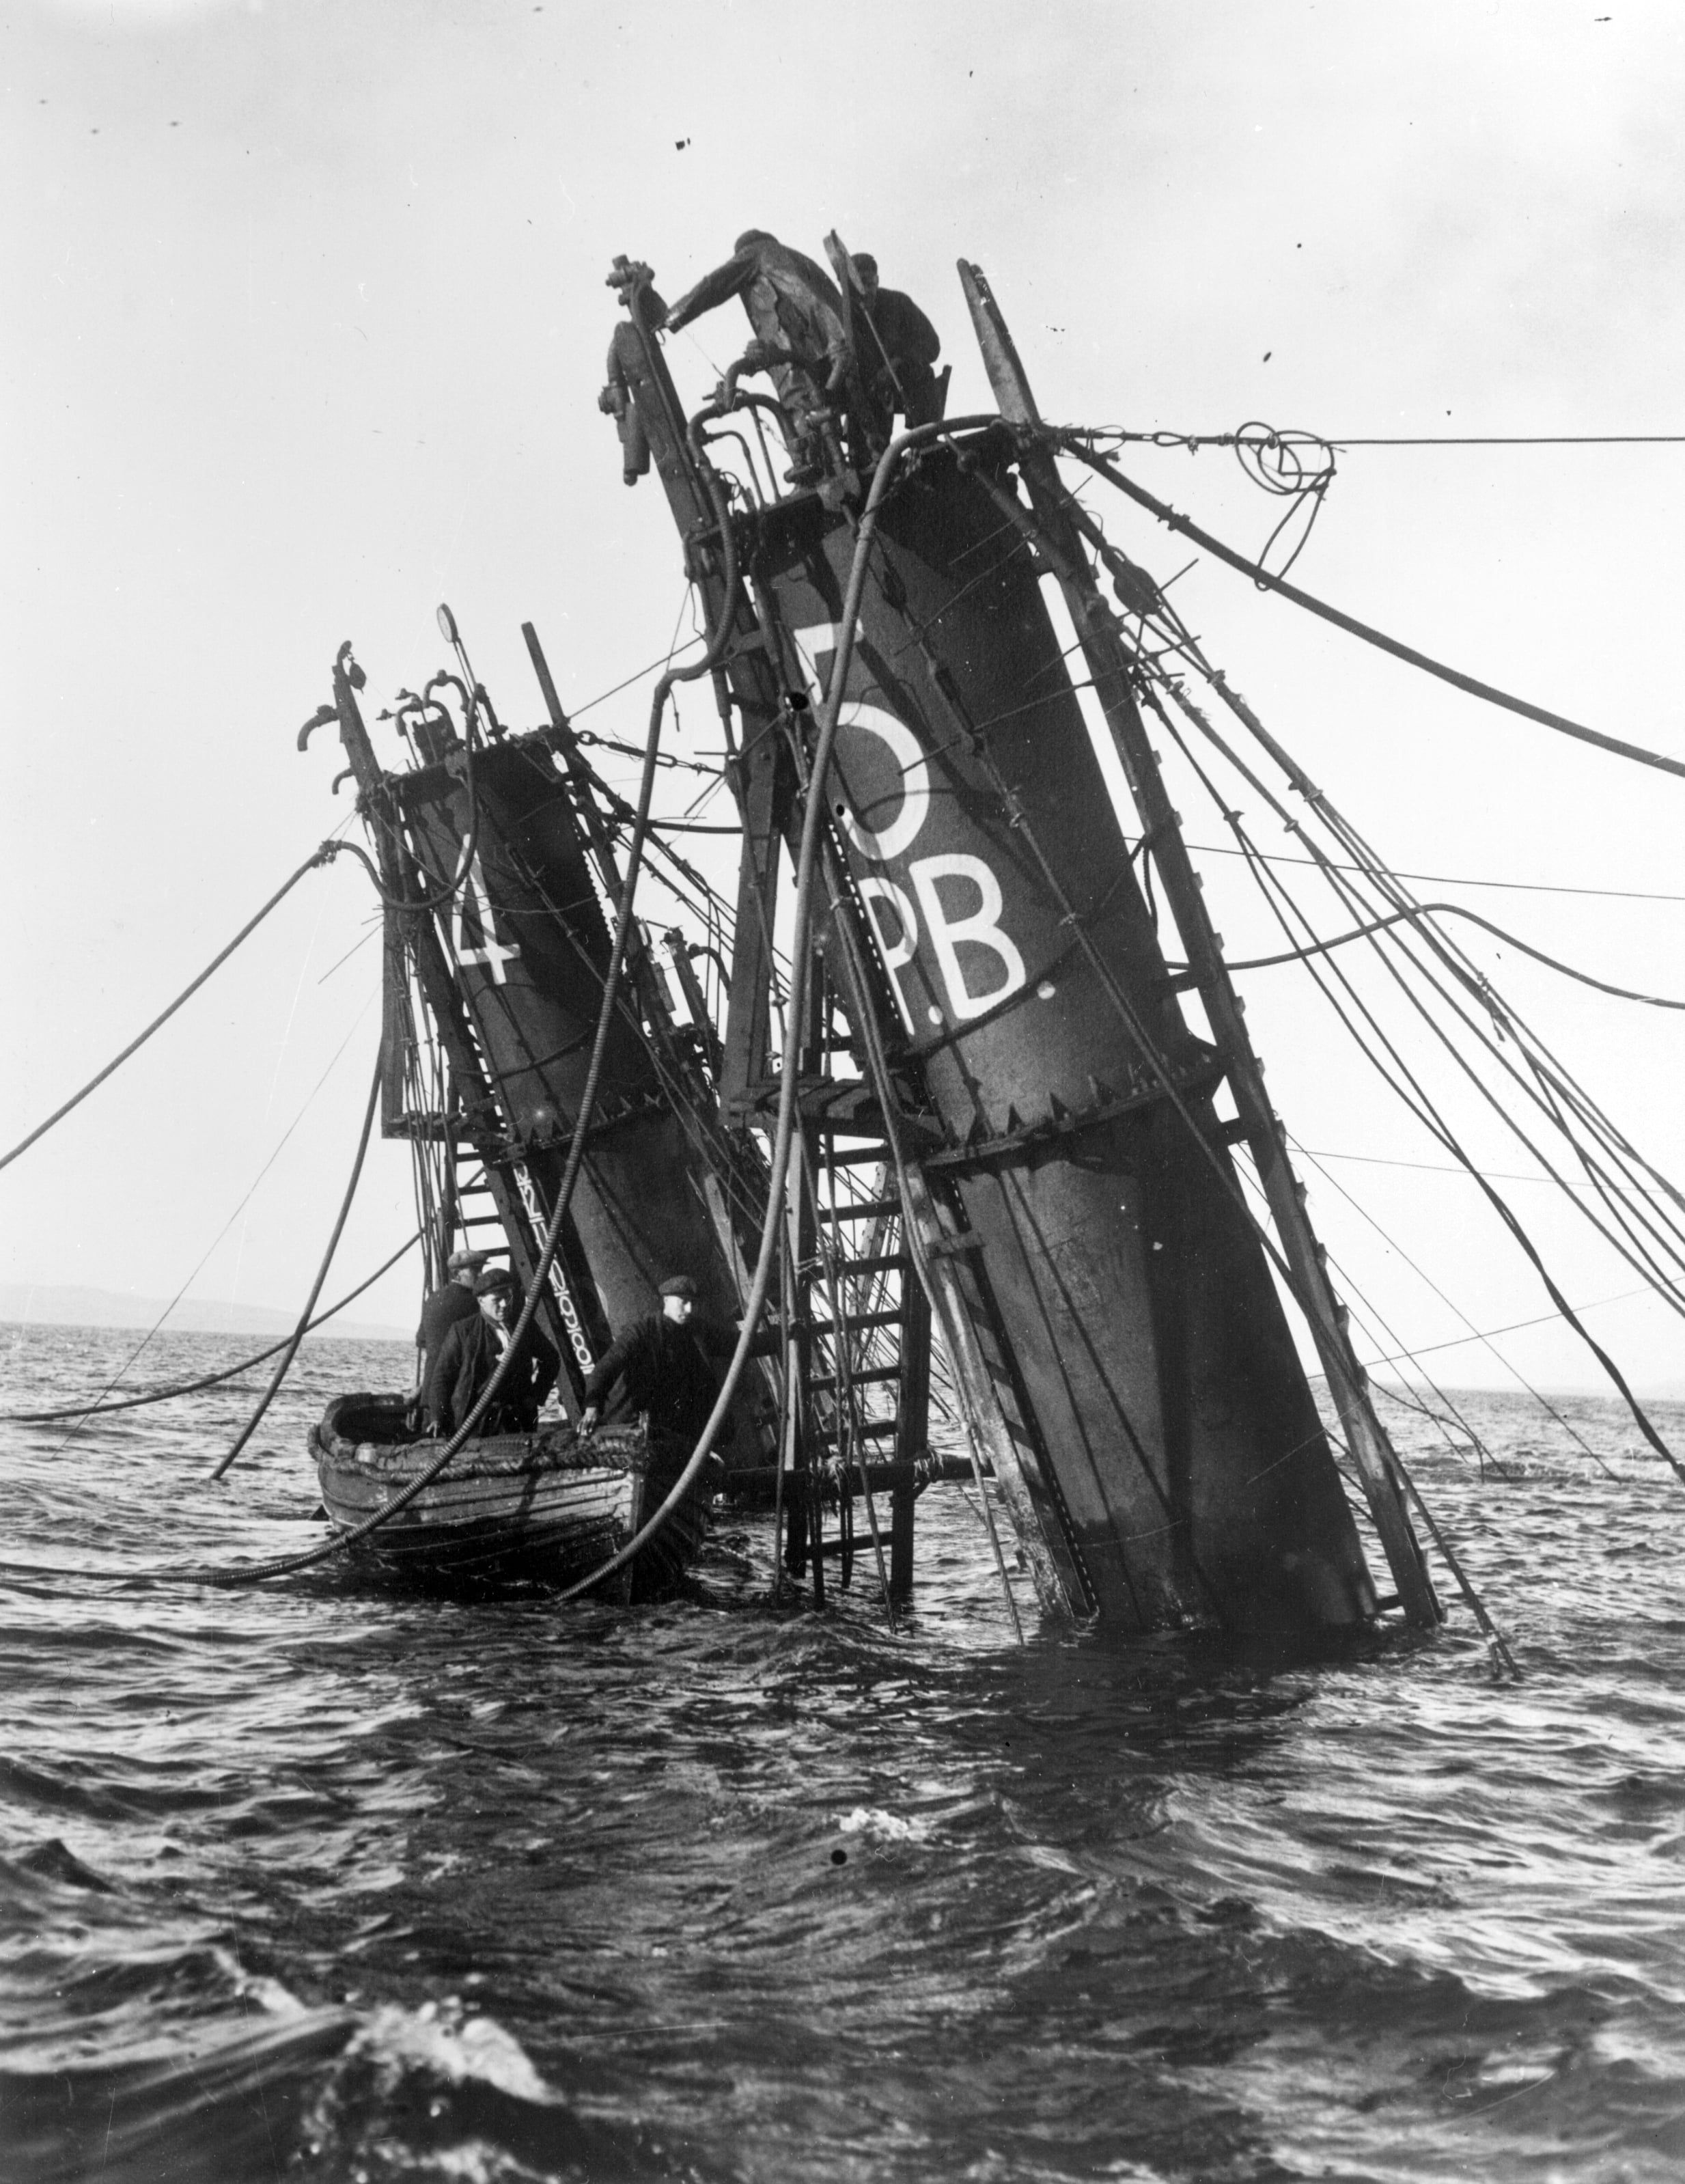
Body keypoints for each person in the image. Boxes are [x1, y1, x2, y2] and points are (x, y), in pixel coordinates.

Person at [663, 230, 852, 475]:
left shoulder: (757, 252)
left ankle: (813, 470)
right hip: (828, 352)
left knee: (803, 414)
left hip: (799, 358)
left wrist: (670, 319)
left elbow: (714, 285)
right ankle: (824, 466)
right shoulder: (796, 259)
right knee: (820, 418)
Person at [578, 1275, 740, 1442]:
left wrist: (769, 1340)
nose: (690, 1309)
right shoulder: (642, 1332)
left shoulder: (697, 1332)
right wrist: (592, 1406)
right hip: (630, 1426)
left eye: (693, 1303)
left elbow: (740, 1344)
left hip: (669, 1431)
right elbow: (607, 1367)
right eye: (684, 1302)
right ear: (667, 1300)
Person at [852, 253, 944, 427]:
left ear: (877, 280)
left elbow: (932, 344)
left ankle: (924, 442)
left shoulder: (898, 303)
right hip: (868, 395)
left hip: (906, 384)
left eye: (868, 282)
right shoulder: (843, 315)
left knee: (921, 373)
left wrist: (897, 362)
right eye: (856, 285)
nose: (864, 291)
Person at [426, 1266, 507, 1437]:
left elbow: (551, 1358)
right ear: (481, 1301)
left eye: (507, 1298)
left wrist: (534, 1396)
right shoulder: (462, 1331)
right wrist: (437, 1417)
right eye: (497, 1300)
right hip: (474, 1422)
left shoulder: (524, 1328)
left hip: (515, 1422)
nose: (504, 1305)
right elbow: (442, 1376)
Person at [416, 1247, 490, 1392]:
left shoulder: (433, 1299)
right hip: (461, 1394)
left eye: (482, 1269)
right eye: (475, 1270)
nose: (481, 1275)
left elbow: (421, 1340)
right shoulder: (476, 1303)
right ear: (457, 1274)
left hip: (431, 1389)